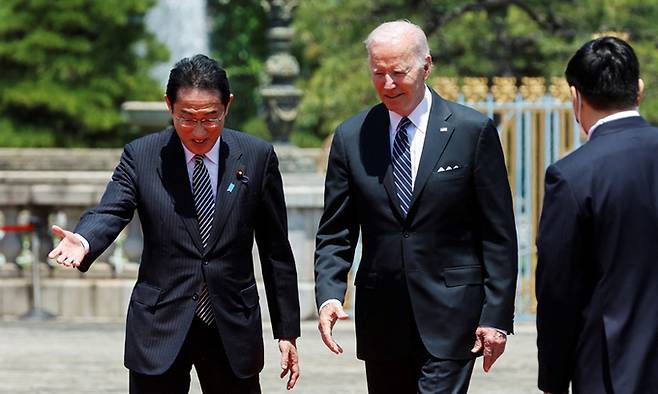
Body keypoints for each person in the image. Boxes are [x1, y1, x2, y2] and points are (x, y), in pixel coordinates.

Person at [48, 54, 300, 393]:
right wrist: (84, 239)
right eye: (186, 118)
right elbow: (112, 209)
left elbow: (275, 250)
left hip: (231, 322)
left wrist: (287, 331)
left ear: (228, 105)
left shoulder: (256, 155)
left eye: (211, 118)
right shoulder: (143, 155)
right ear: (169, 106)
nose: (198, 132)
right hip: (160, 321)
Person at [314, 20, 518, 393]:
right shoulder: (351, 137)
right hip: (382, 319)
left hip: (453, 315)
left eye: (398, 72)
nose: (388, 84)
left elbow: (498, 234)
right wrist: (329, 294)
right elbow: (336, 231)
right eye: (378, 73)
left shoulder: (471, 131)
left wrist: (497, 317)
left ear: (426, 65)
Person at [536, 36, 658, 394]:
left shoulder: (573, 175)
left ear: (575, 97)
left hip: (610, 367)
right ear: (638, 89)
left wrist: (553, 379)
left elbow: (558, 290)